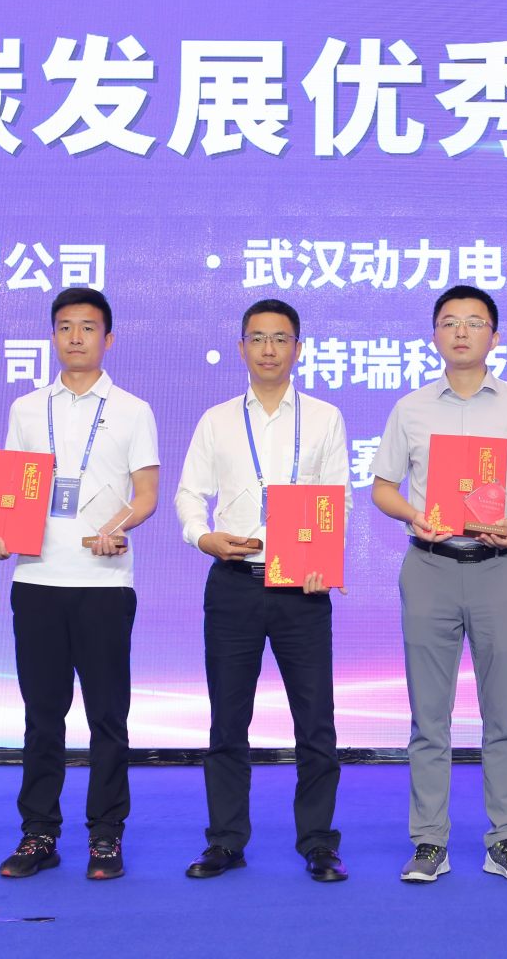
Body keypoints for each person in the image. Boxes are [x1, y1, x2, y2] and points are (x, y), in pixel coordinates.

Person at [369, 285, 507, 882]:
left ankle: (505, 838)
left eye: (474, 323)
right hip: (429, 566)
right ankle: (429, 840)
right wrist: (412, 514)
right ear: (434, 336)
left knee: (503, 714)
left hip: (500, 568)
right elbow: (382, 488)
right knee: (429, 717)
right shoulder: (410, 408)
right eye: (449, 322)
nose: (461, 332)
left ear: (494, 337)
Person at [0, 288, 160, 881]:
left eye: (88, 327)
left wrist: (119, 527)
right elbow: (9, 490)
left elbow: (146, 494)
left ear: (108, 339)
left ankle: (106, 836)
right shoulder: (26, 408)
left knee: (108, 716)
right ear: (53, 336)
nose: (76, 337)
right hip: (36, 578)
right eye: (65, 327)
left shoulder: (133, 410)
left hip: (104, 582)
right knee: (42, 715)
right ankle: (39, 833)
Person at [174, 299, 351, 883]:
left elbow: (338, 499)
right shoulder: (217, 419)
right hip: (234, 582)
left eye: (280, 338)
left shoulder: (324, 417)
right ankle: (225, 841)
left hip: (303, 588)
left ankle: (319, 842)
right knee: (228, 720)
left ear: (298, 348)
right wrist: (203, 537)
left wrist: (323, 560)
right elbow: (188, 494)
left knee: (316, 722)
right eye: (257, 338)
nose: (269, 349)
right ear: (242, 347)